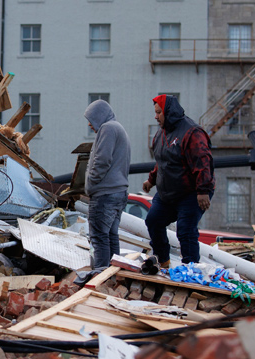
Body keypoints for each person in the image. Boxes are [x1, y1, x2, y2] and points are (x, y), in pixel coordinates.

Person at [143, 94, 215, 267]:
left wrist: (203, 190)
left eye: (159, 112)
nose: (155, 116)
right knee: (153, 220)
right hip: (168, 193)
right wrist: (151, 180)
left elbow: (203, 162)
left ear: (169, 112)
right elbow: (162, 162)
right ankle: (163, 262)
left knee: (185, 230)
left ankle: (191, 270)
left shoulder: (192, 133)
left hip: (191, 193)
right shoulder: (160, 135)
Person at [80, 100, 131, 282]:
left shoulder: (108, 128)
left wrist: (90, 185)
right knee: (110, 237)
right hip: (118, 193)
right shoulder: (118, 128)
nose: (89, 124)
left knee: (100, 238)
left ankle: (100, 281)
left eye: (91, 119)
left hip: (105, 195)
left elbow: (102, 161)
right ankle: (113, 280)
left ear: (100, 116)